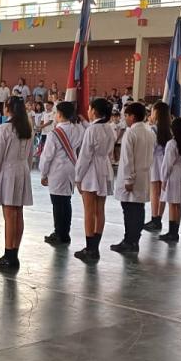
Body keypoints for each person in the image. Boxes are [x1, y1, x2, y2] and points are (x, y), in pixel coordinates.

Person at [0, 97, 33, 270]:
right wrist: (26, 171)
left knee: (9, 216)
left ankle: (9, 256)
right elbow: (29, 156)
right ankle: (14, 253)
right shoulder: (27, 128)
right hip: (22, 170)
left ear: (8, 108)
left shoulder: (4, 129)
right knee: (18, 214)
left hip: (8, 172)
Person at [73, 98, 114, 262]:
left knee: (89, 211)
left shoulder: (92, 130)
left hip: (91, 171)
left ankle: (90, 248)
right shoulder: (109, 128)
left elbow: (84, 156)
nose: (88, 112)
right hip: (104, 167)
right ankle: (95, 246)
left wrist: (78, 177)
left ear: (94, 111)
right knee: (100, 210)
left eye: (89, 109)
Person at [38, 101, 83, 246]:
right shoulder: (78, 129)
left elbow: (47, 156)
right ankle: (65, 233)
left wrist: (43, 173)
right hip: (71, 168)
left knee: (57, 203)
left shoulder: (54, 134)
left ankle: (59, 233)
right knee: (66, 202)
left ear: (60, 114)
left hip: (57, 170)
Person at [112, 102, 154, 254]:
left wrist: (128, 179)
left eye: (127, 116)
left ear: (133, 116)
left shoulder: (131, 132)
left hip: (133, 176)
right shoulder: (149, 131)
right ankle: (134, 240)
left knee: (129, 210)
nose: (126, 119)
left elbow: (127, 158)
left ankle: (129, 241)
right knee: (138, 208)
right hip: (144, 174)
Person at [158, 118, 181, 243]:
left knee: (172, 204)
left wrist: (164, 178)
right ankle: (175, 231)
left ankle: (172, 233)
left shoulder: (172, 143)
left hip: (173, 174)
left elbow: (167, 163)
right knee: (178, 205)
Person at [144, 102, 171, 232]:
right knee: (162, 192)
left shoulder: (153, 129)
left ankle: (155, 218)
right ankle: (158, 218)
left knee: (155, 191)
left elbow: (151, 147)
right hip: (165, 160)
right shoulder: (169, 128)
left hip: (155, 161)